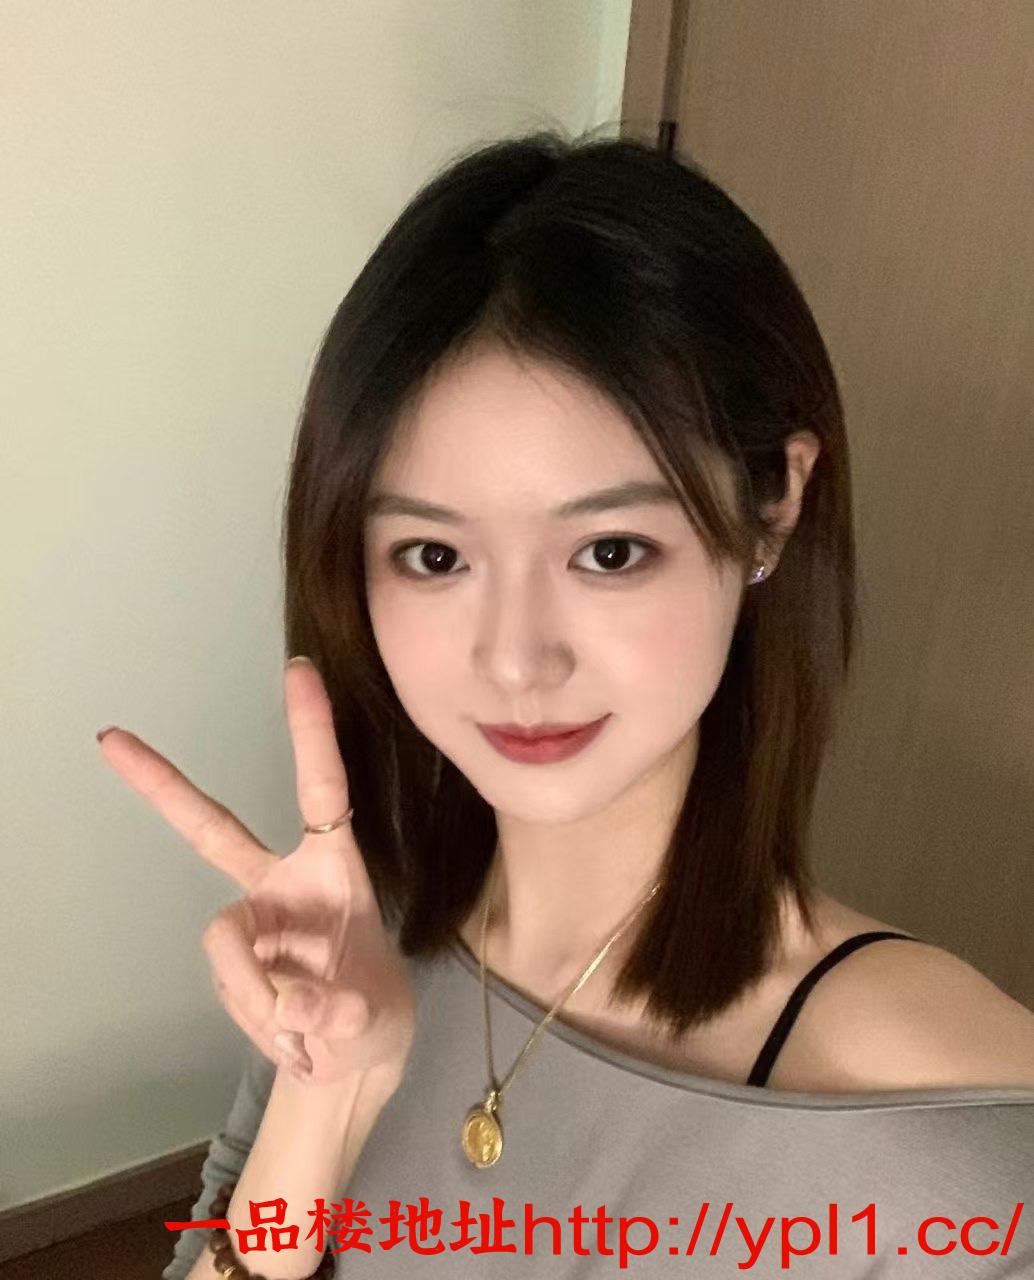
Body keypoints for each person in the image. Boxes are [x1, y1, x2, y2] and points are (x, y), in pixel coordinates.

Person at [99, 129, 1034, 1279]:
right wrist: (323, 1098)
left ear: (770, 506)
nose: (515, 659)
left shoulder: (950, 1146)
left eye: (608, 549)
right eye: (435, 556)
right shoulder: (352, 936)